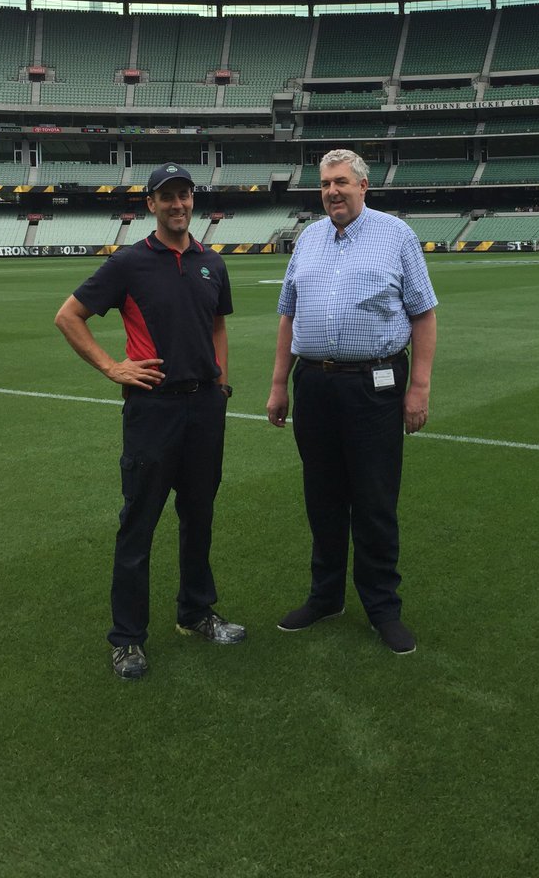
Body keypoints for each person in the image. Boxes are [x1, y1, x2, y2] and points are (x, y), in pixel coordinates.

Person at [54, 163, 245, 681]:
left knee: (199, 515)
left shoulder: (213, 264)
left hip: (205, 407)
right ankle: (127, 639)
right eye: (168, 197)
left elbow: (218, 326)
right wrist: (112, 367)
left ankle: (196, 612)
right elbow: (68, 315)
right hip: (154, 409)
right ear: (151, 205)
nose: (178, 204)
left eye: (184, 195)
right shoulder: (128, 264)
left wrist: (221, 384)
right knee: (138, 523)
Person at [266, 148, 437, 655]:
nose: (332, 191)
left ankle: (382, 607)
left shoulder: (396, 235)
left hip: (375, 384)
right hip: (314, 385)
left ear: (363, 186)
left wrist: (419, 388)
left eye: (341, 182)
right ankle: (326, 596)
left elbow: (423, 314)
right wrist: (279, 384)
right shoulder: (309, 239)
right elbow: (288, 316)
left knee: (374, 500)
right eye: (324, 184)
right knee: (322, 497)